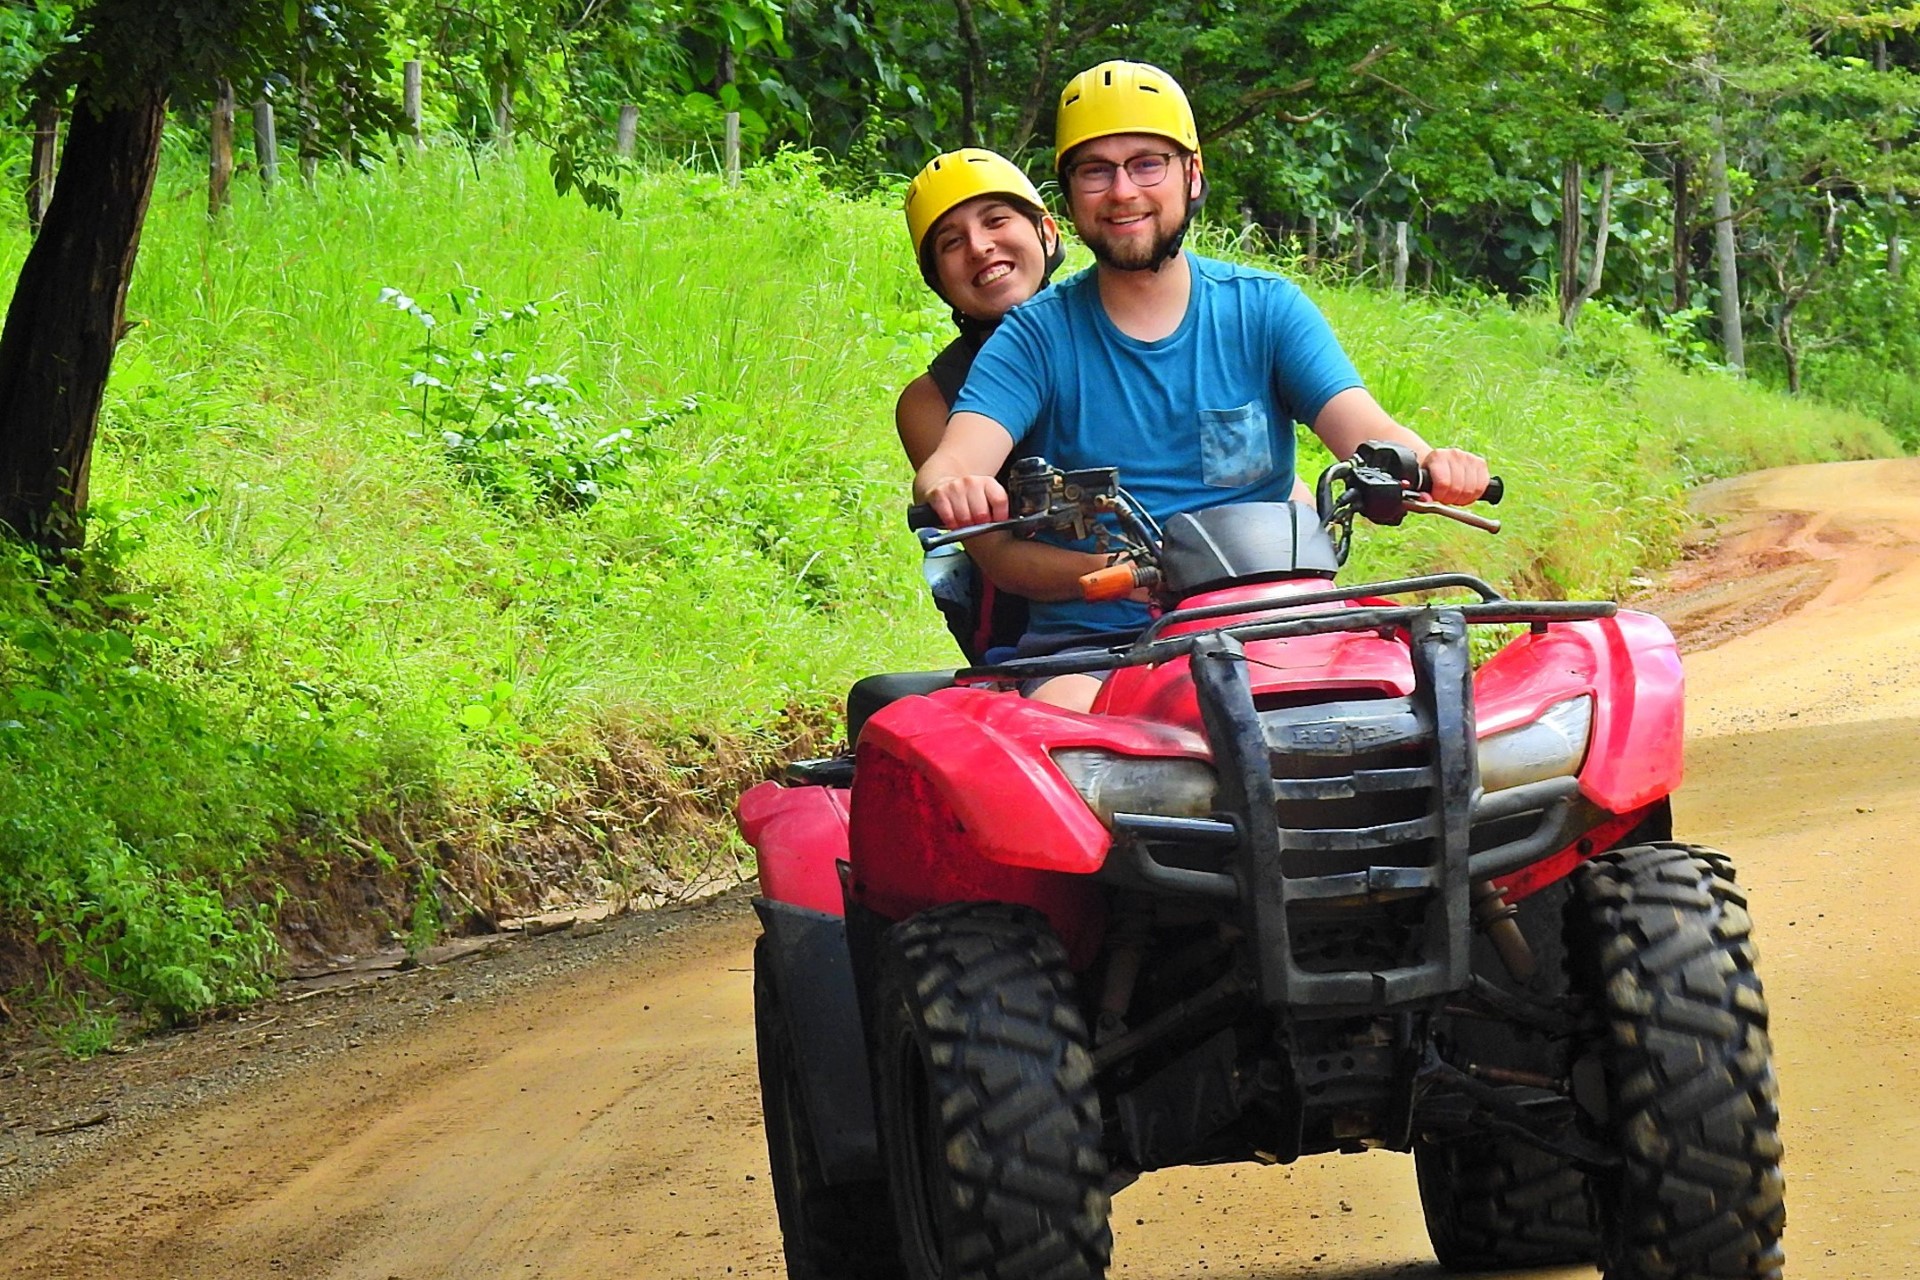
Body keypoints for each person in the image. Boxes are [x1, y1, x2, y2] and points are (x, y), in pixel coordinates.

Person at [914, 60, 1491, 708]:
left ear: (1192, 176)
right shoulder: (1032, 337)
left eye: (1146, 164)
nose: (1123, 191)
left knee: (1428, 714)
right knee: (1060, 752)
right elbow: (958, 456)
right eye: (1095, 171)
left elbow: (1368, 431)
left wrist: (1429, 462)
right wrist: (955, 483)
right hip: (1101, 655)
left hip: (1277, 627)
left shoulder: (1268, 309)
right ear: (1069, 198)